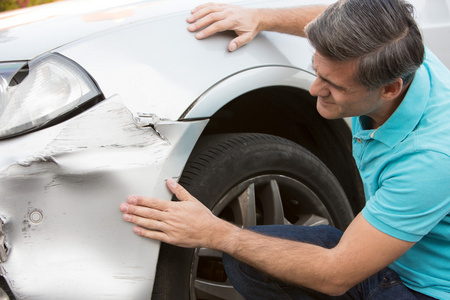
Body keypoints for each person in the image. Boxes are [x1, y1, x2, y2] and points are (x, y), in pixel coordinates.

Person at [119, 0, 450, 299]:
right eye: (317, 70)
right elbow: (329, 17)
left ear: (390, 88)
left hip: (425, 290)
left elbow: (337, 274)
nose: (314, 88)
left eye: (334, 85)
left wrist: (216, 233)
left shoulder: (431, 160)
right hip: (396, 260)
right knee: (253, 262)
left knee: (248, 250)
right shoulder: (400, 49)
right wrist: (260, 18)